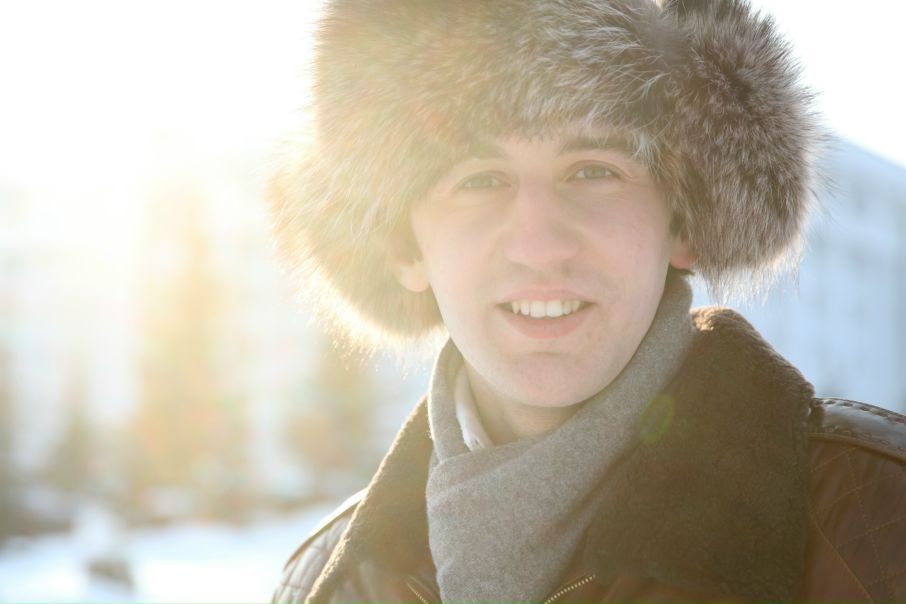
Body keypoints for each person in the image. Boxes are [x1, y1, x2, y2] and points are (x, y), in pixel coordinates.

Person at [267, 0, 906, 602]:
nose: (539, 246)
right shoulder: (328, 583)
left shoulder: (878, 523)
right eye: (479, 180)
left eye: (594, 170)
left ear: (683, 221)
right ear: (405, 248)